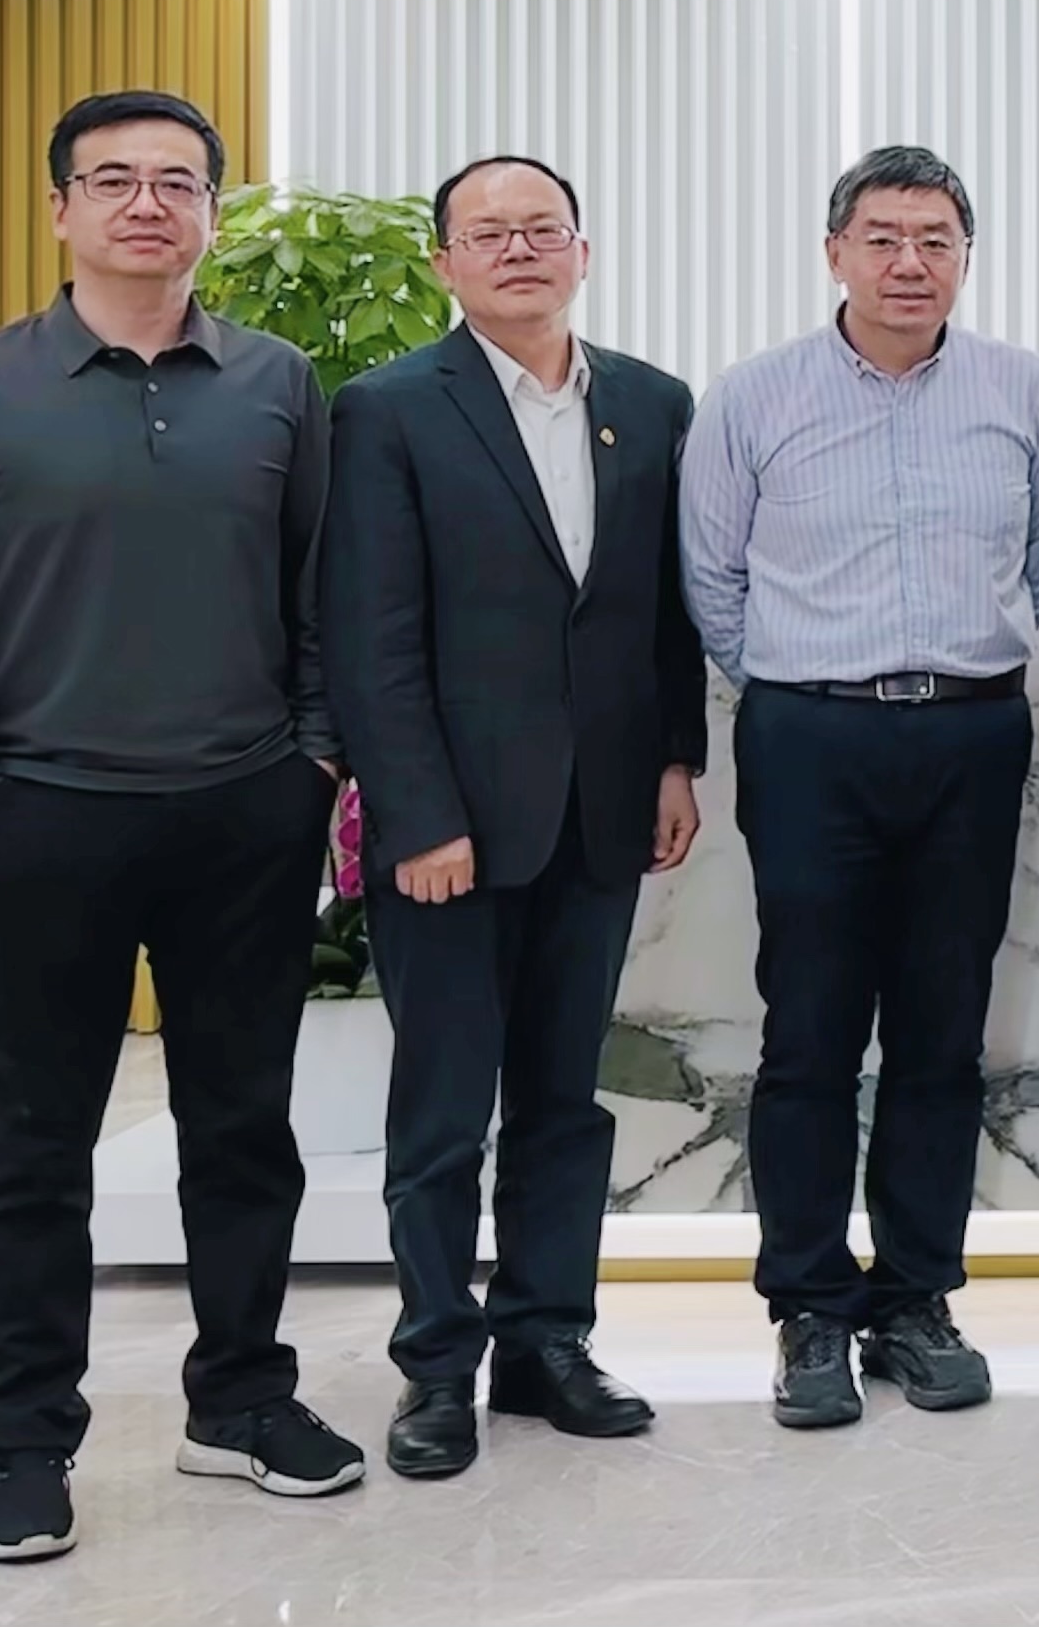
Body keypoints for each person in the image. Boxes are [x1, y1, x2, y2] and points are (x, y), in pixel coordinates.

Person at [0, 89, 363, 1563]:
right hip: (45, 819)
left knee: (243, 1126)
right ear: (61, 210)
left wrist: (311, 764)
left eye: (177, 182)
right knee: (32, 1147)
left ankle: (242, 1398)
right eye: (113, 180)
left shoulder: (276, 381)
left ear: (212, 210)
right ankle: (23, 1442)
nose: (147, 203)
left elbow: (321, 593)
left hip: (246, 815)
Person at [678, 146, 1039, 1431]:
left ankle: (915, 1300)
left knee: (943, 1033)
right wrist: (801, 685)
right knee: (808, 1030)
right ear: (836, 251)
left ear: (966, 256)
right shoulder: (754, 396)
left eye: (937, 240)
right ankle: (808, 1308)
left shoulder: (1020, 388)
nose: (912, 263)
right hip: (812, 737)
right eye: (886, 237)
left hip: (972, 733)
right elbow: (712, 579)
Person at [321, 155, 706, 1480]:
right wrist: (417, 814)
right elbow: (369, 635)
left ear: (583, 251)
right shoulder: (387, 410)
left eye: (544, 228)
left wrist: (674, 759)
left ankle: (547, 1343)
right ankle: (437, 1363)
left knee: (564, 1102)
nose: (520, 249)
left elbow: (662, 611)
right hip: (451, 832)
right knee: (441, 1112)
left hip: (600, 814)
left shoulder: (650, 403)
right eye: (489, 233)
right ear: (445, 263)